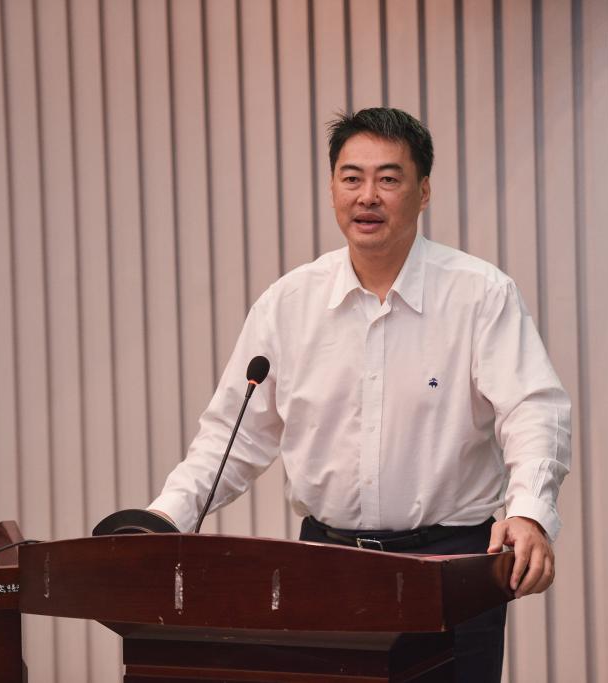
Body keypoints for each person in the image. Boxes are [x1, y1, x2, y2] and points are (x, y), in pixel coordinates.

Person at [149, 107, 570, 681]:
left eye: (388, 179)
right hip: (324, 567)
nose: (367, 196)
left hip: (451, 570)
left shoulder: (480, 295)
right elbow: (231, 438)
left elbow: (532, 409)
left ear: (423, 192)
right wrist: (163, 521)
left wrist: (529, 513)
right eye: (352, 178)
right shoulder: (288, 304)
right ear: (332, 190)